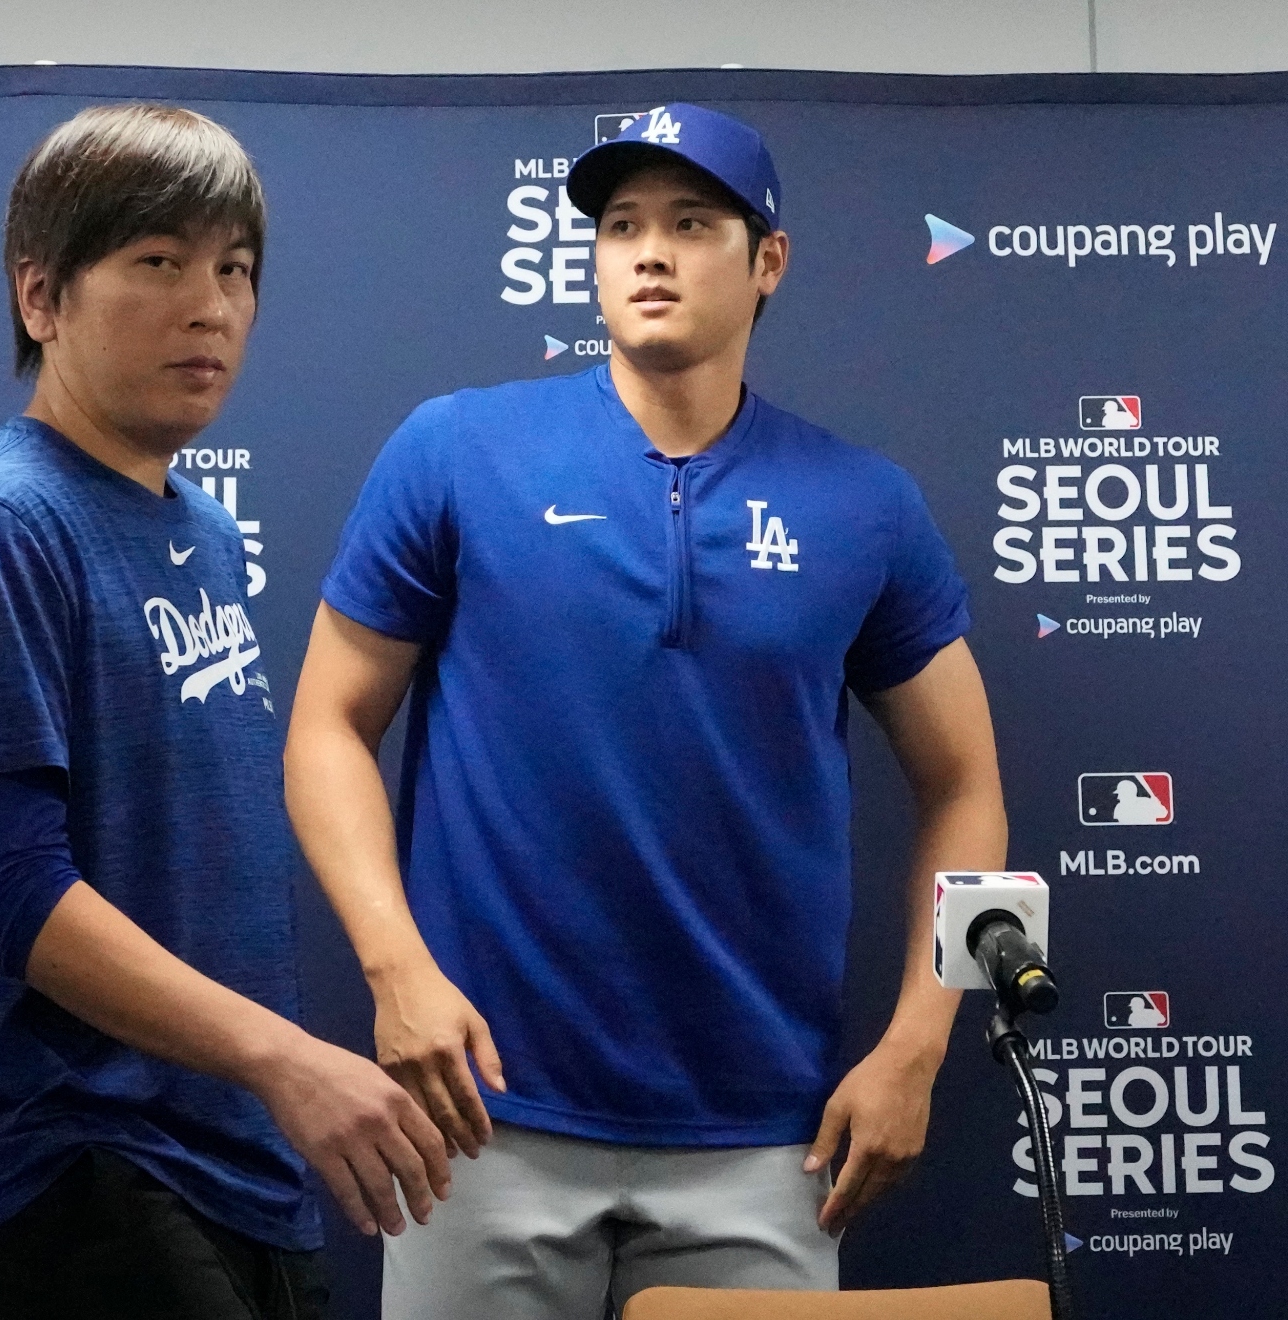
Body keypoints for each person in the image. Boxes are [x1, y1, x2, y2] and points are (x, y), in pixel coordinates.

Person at [285, 102, 1010, 1317]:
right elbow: (325, 727)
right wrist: (394, 966)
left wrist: (915, 1047)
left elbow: (966, 786)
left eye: (690, 222)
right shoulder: (458, 450)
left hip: (760, 1139)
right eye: (621, 226)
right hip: (481, 1121)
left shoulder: (864, 504)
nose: (649, 252)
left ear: (768, 260)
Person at [0, 103, 449, 1320]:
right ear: (41, 297)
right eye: (158, 262)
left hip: (235, 1159)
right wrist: (283, 1056)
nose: (212, 306)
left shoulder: (199, 526)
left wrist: (261, 1082)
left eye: (235, 269)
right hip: (78, 1167)